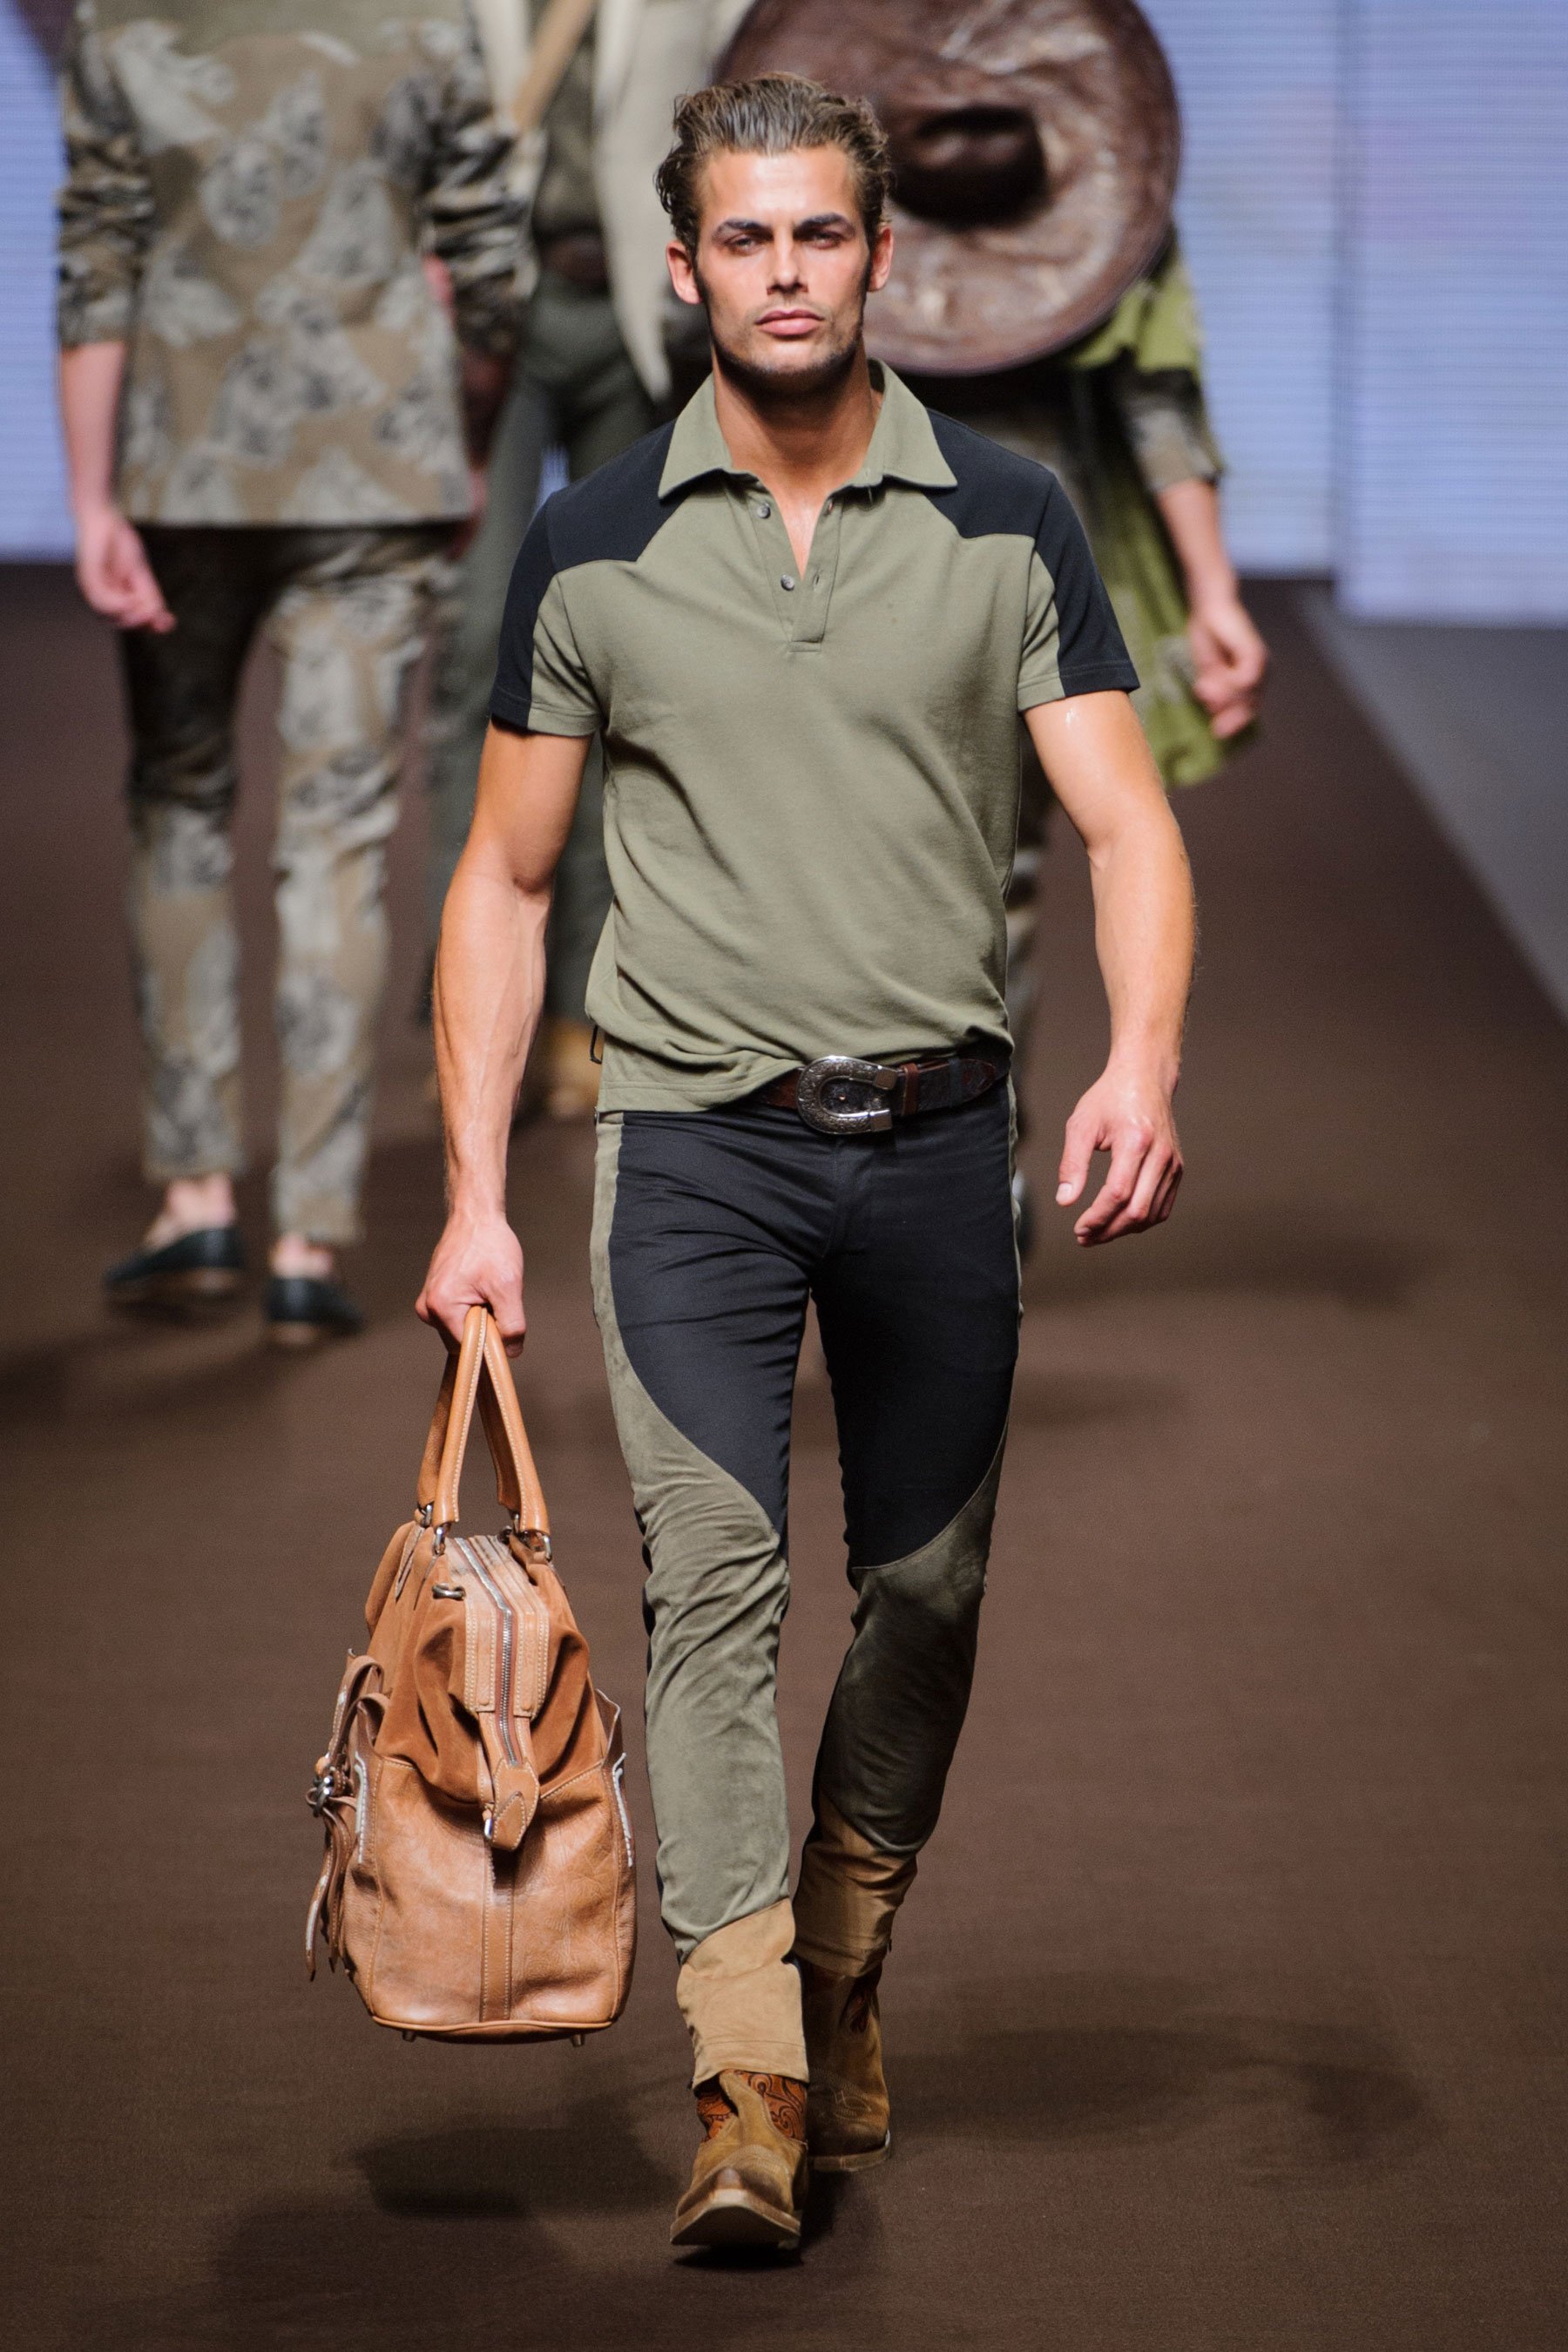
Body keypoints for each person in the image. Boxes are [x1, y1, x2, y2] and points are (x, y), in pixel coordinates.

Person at [419, 74, 1194, 2250]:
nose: (783, 273)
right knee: (713, 1593)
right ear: (683, 268)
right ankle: (748, 2075)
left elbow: (1129, 822)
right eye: (744, 239)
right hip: (691, 1147)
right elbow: (502, 881)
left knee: (926, 1592)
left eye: (819, 235)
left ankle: (842, 1958)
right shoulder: (591, 540)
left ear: (879, 255)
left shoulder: (1011, 516)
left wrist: (1142, 1058)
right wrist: (472, 1193)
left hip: (943, 1143)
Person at [57, 0, 524, 1342]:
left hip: (183, 466)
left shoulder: (122, 19)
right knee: (337, 833)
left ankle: (197, 1197)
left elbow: (97, 257)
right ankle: (310, 1238)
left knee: (181, 800)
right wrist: (463, 441)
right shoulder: (426, 20)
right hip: (377, 459)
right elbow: (491, 263)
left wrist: (90, 499)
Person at [424, 0, 748, 1119]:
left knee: (623, 663)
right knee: (478, 648)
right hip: (490, 314)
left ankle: (592, 1004)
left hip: (635, 313)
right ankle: (474, 1002)